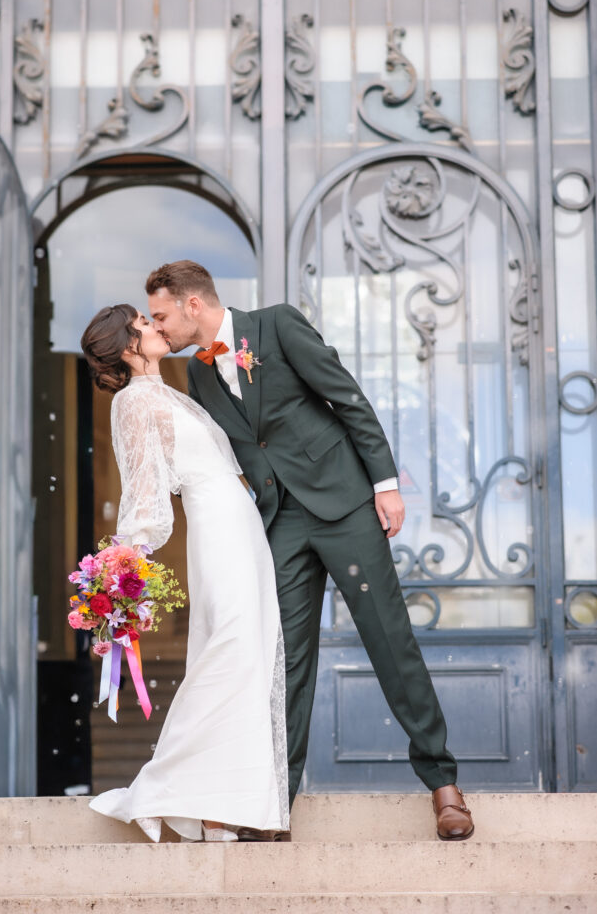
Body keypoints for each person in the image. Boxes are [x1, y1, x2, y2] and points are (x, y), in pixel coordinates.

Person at [146, 260, 475, 843]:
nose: (158, 327)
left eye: (161, 315)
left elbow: (346, 398)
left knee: (389, 640)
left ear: (192, 304)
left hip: (344, 505)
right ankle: (276, 806)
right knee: (285, 663)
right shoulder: (196, 374)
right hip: (280, 523)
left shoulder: (276, 325)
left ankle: (443, 785)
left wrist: (385, 484)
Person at [82, 304, 289, 843]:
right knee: (232, 649)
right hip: (216, 527)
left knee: (248, 653)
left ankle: (221, 807)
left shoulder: (168, 391)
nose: (155, 327)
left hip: (241, 523)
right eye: (143, 323)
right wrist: (127, 569)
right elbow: (143, 489)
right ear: (127, 346)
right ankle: (173, 788)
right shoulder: (133, 401)